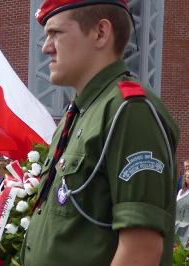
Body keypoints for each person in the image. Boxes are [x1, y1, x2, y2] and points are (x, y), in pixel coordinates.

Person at [24, 1, 180, 265]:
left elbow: (141, 251)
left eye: (56, 34)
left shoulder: (129, 111)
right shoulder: (81, 113)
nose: (46, 47)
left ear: (100, 33)